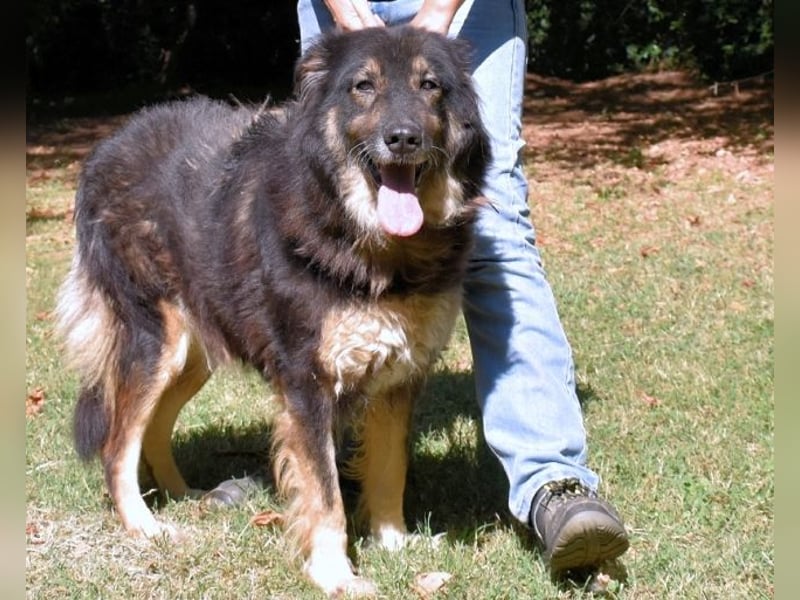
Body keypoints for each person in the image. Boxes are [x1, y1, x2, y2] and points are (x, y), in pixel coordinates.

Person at [294, 0, 630, 575]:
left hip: (469, 10)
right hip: (339, 11)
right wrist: (344, 10)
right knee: (334, 217)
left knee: (494, 218)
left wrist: (438, 12)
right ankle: (344, 464)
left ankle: (552, 478)